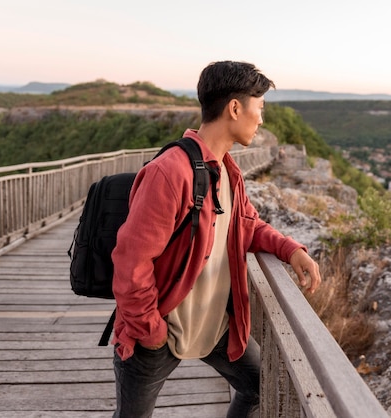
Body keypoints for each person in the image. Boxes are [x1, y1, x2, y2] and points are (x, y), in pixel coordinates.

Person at [110, 60, 322, 418]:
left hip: (213, 328)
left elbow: (247, 225)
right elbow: (131, 263)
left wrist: (290, 250)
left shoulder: (227, 170)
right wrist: (150, 331)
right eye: (260, 108)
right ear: (235, 108)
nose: (261, 120)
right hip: (158, 332)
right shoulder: (170, 172)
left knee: (258, 386)